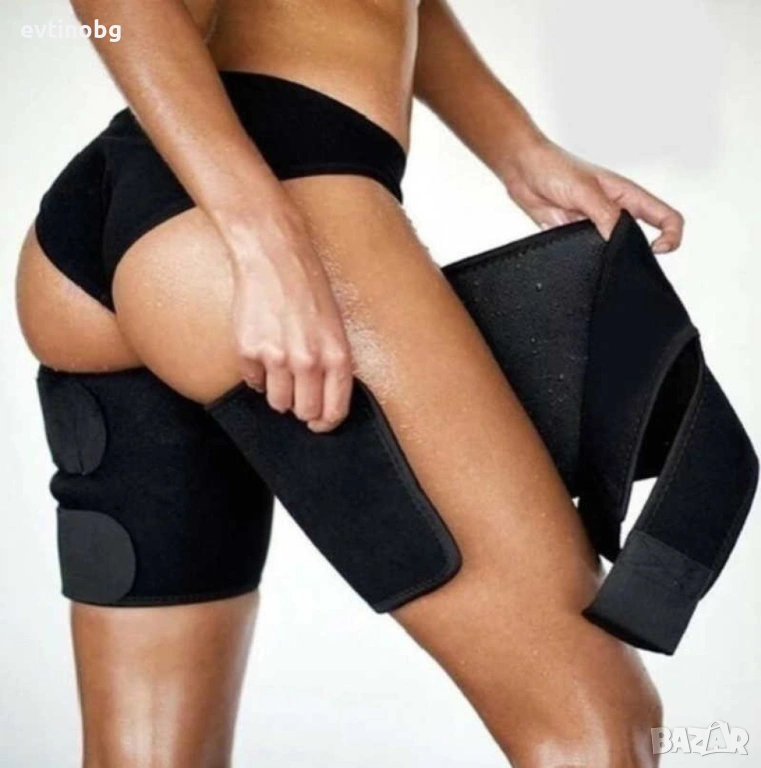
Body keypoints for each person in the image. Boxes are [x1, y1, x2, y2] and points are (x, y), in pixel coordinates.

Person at [16, 0, 684, 765]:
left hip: (131, 214)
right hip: (262, 197)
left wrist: (517, 146)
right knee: (599, 725)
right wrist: (269, 242)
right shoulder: (268, 225)